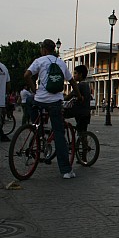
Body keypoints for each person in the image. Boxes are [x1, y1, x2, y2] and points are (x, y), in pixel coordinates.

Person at [24, 39, 82, 179]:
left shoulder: (40, 61)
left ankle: (35, 126)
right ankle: (66, 170)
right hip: (55, 101)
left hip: (39, 100)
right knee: (59, 135)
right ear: (53, 49)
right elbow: (72, 81)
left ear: (44, 49)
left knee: (29, 100)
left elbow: (26, 75)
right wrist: (79, 96)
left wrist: (34, 89)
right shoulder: (60, 63)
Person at [64, 65, 91, 140]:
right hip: (86, 112)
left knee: (61, 114)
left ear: (80, 74)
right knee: (83, 133)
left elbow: (70, 96)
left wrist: (61, 99)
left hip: (80, 112)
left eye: (75, 73)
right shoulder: (86, 85)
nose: (74, 75)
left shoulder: (80, 85)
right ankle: (84, 149)